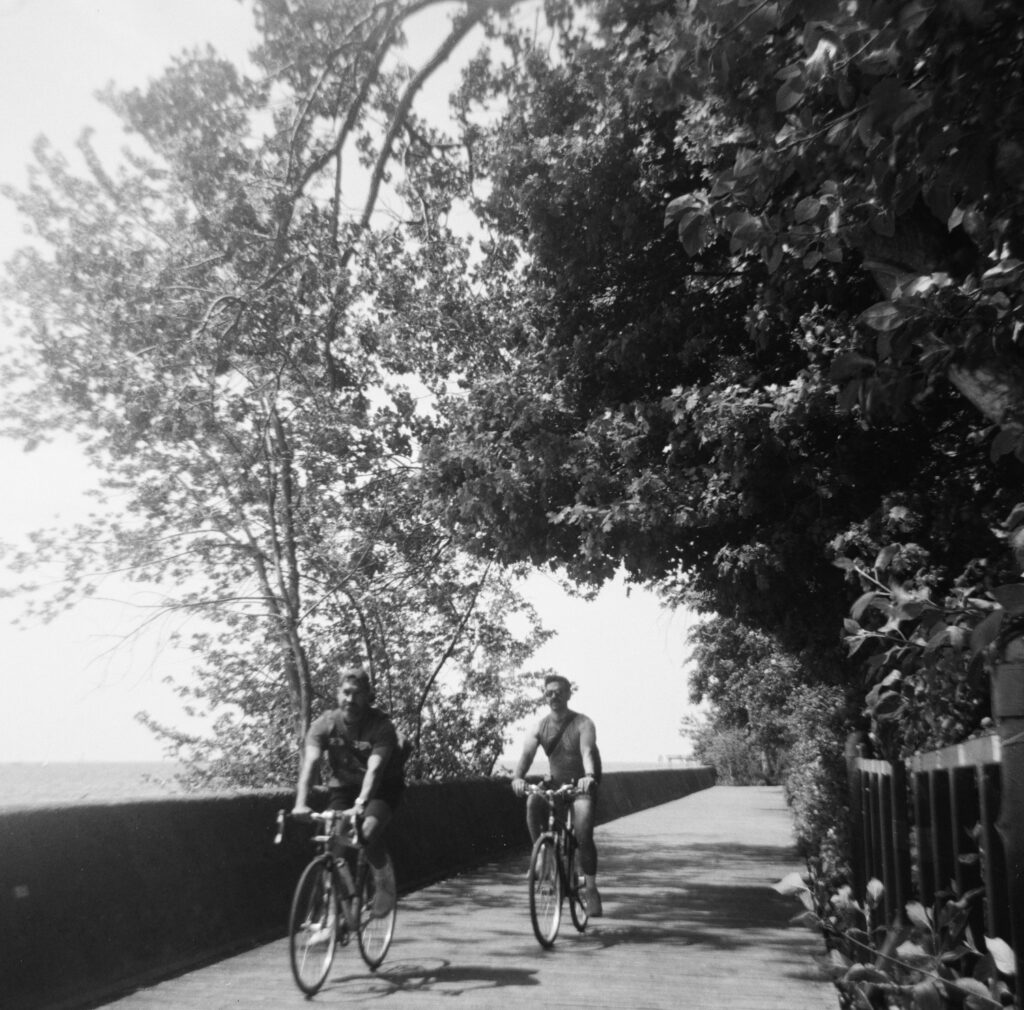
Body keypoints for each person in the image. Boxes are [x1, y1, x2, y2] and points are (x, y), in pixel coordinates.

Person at [293, 666, 403, 916]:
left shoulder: (381, 726)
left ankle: (385, 883)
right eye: (346, 692)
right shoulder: (325, 724)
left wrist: (361, 804)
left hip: (383, 787)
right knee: (333, 847)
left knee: (365, 833)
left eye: (357, 693)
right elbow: (310, 764)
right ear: (337, 693)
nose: (350, 699)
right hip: (344, 787)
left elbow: (375, 770)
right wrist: (300, 803)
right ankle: (337, 913)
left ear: (368, 696)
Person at [511, 673, 603, 916]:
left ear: (568, 694)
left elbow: (587, 751)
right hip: (557, 785)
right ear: (544, 695)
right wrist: (518, 778)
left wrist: (589, 777)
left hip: (581, 786)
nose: (554, 697)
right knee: (533, 801)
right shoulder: (538, 726)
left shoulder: (583, 723)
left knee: (583, 834)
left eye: (559, 692)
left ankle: (591, 888)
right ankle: (542, 853)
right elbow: (527, 756)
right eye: (549, 692)